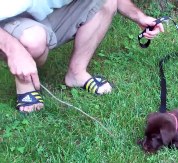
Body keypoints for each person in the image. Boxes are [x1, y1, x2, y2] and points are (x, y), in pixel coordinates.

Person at [0, 0, 164, 113]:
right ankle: (25, 84)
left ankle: (76, 74)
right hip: (9, 21)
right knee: (33, 41)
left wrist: (140, 17)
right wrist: (14, 50)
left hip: (44, 15)